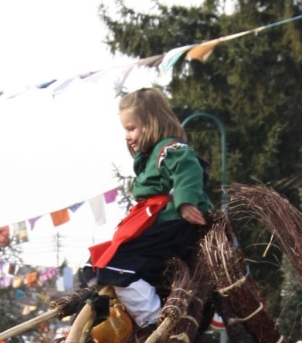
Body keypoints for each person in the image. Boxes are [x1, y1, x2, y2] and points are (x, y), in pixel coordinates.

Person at [86, 88, 212, 327]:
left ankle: (152, 318)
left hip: (172, 225)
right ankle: (106, 306)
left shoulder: (170, 149)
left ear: (152, 123)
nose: (127, 135)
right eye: (125, 129)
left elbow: (189, 169)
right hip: (155, 223)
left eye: (131, 128)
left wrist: (185, 203)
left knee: (117, 264)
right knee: (97, 260)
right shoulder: (149, 157)